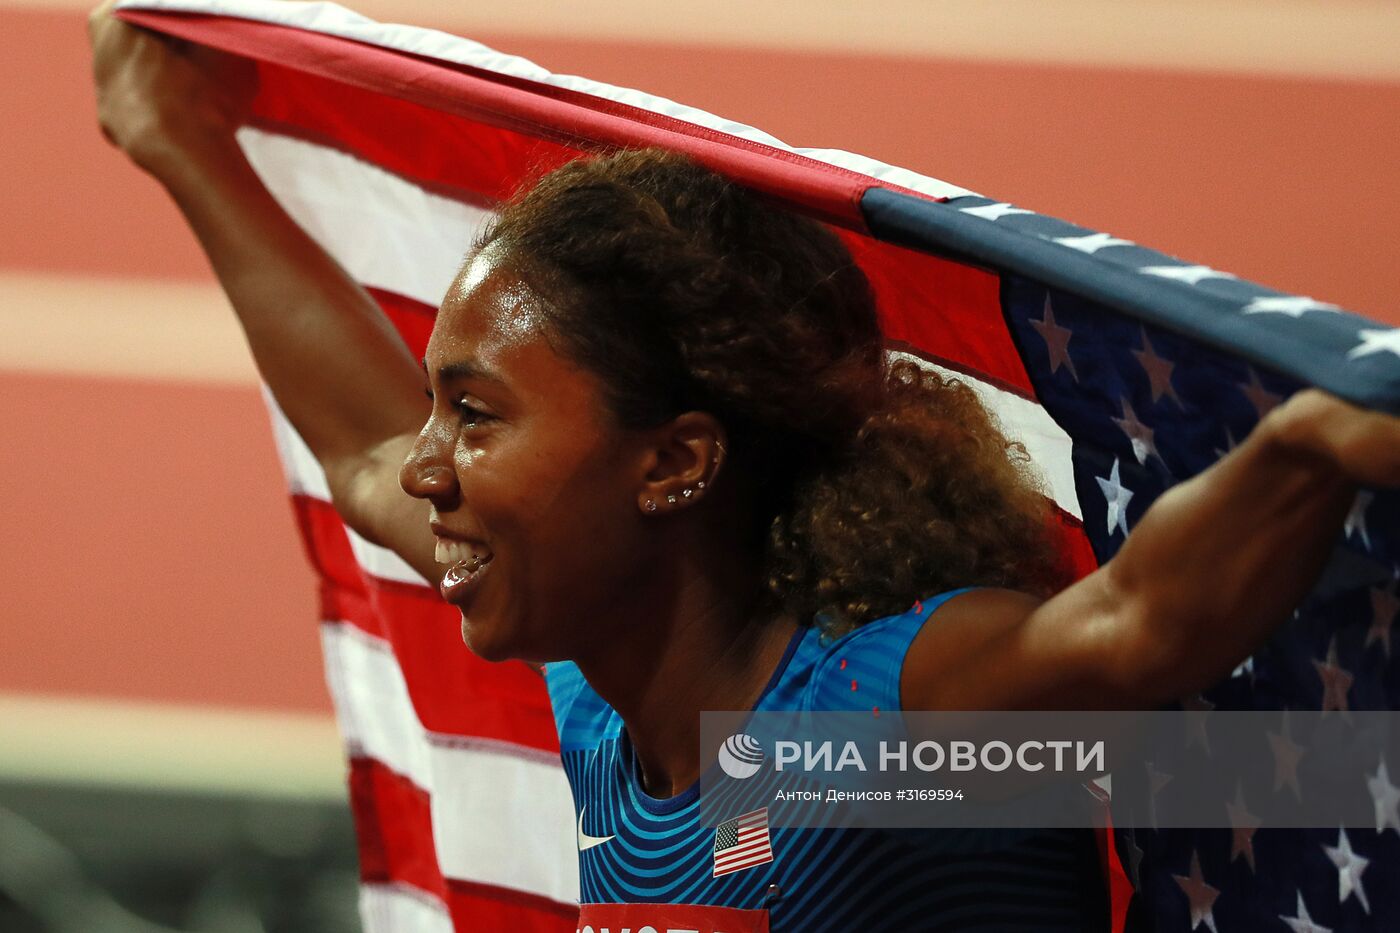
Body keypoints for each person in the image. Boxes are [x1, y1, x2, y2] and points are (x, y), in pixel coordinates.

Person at [89, 4, 1400, 930]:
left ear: (673, 465)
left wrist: (1308, 440)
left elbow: (1129, 633)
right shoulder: (616, 700)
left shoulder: (855, 742)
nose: (429, 472)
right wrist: (184, 146)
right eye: (444, 413)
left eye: (477, 417)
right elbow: (363, 445)